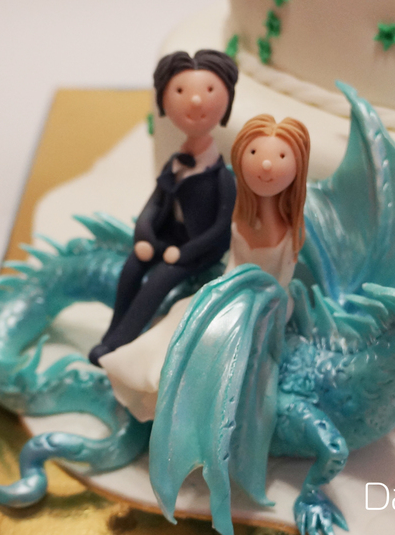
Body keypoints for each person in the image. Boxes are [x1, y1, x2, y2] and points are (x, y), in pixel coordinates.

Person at [100, 115, 310, 421]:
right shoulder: (239, 217)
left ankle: (197, 407)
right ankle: (147, 379)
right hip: (230, 289)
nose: (266, 165)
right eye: (255, 153)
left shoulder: (291, 231)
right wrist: (223, 292)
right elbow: (234, 262)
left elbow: (281, 281)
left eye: (280, 157)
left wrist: (256, 303)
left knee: (219, 339)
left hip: (269, 303)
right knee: (184, 314)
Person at [89, 49, 238, 366]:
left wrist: (184, 254)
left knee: (159, 281)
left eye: (208, 90)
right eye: (181, 91)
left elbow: (221, 230)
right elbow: (155, 203)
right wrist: (144, 235)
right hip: (167, 238)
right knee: (132, 268)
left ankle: (119, 342)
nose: (195, 100)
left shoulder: (222, 178)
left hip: (197, 250)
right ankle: (112, 330)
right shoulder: (174, 163)